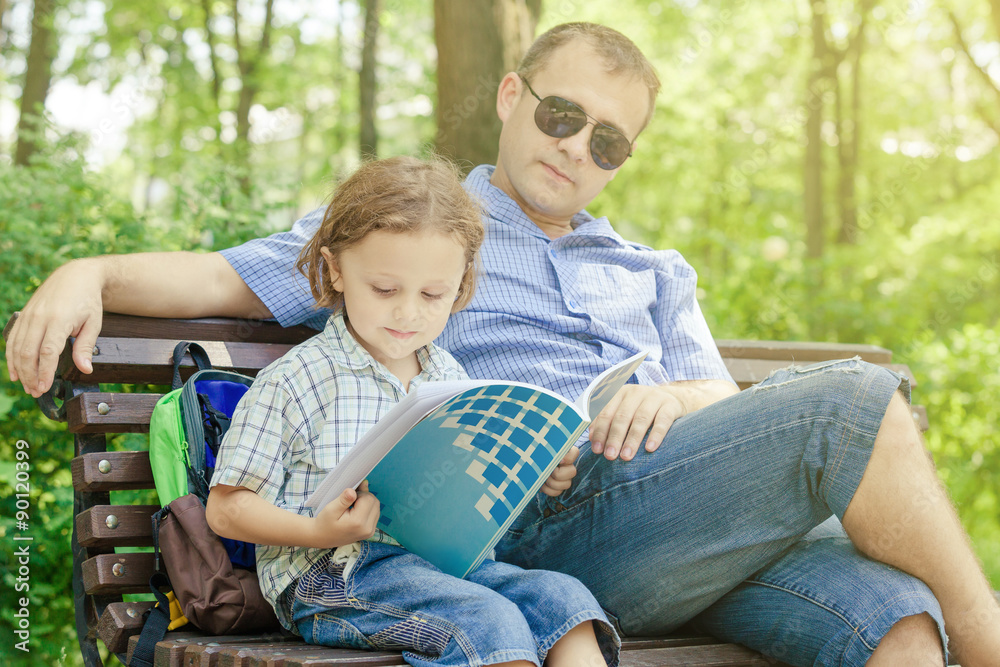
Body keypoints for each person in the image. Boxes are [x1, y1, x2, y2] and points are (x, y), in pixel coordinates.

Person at [7, 21, 1000, 667]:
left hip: (680, 527)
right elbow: (226, 276)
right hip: (532, 532)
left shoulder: (651, 267)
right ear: (513, 97)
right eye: (563, 115)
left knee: (898, 615)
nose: (577, 146)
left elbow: (708, 391)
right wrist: (88, 272)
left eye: (607, 140)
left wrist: (679, 400)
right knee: (854, 401)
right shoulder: (423, 231)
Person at [204, 155, 618, 667]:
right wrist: (319, 531)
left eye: (432, 294)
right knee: (489, 621)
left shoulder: (451, 377)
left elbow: (473, 500)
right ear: (336, 269)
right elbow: (225, 507)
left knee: (564, 601)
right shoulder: (298, 380)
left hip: (440, 566)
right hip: (331, 572)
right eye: (384, 289)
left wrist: (536, 476)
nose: (408, 312)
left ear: (461, 283)